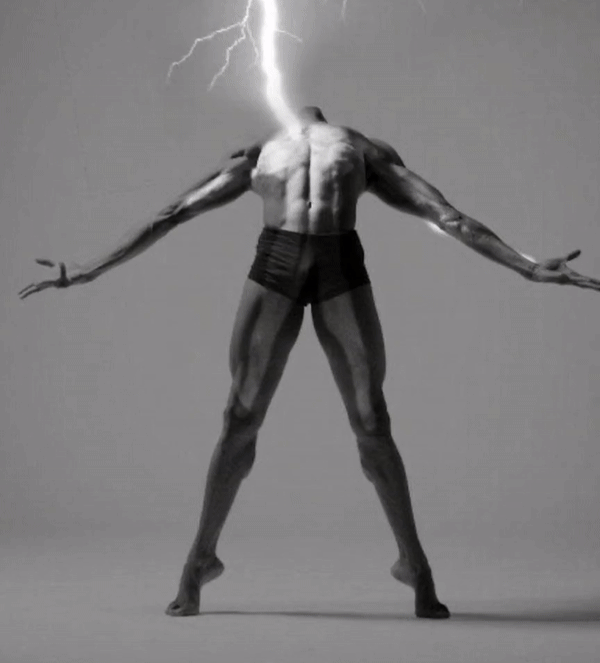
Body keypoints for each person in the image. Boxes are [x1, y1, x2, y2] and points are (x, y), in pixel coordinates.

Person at [20, 105, 600, 620]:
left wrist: (92, 268)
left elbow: (171, 213)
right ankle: (414, 573)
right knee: (365, 421)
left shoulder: (264, 152)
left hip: (289, 260)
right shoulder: (359, 148)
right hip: (327, 263)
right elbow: (449, 216)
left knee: (246, 419)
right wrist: (527, 266)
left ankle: (202, 567)